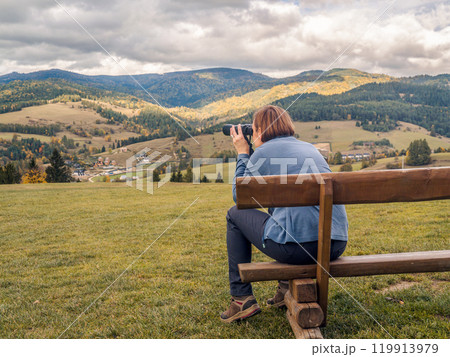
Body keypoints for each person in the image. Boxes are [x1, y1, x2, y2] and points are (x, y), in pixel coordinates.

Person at [220, 105, 348, 323]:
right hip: (334, 245)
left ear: (258, 130)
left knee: (234, 215)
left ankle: (242, 299)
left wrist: (243, 153)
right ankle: (285, 288)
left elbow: (239, 196)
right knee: (283, 214)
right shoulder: (310, 149)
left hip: (296, 250)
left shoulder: (263, 153)